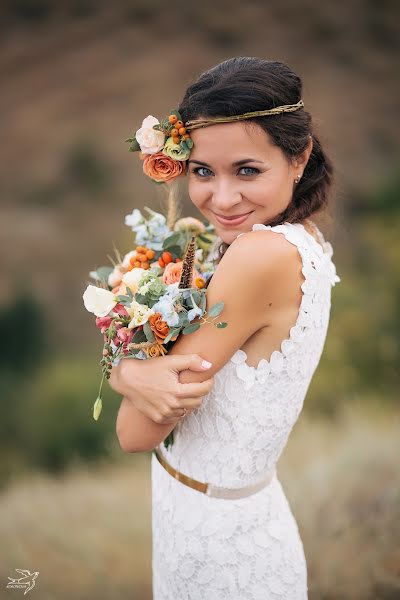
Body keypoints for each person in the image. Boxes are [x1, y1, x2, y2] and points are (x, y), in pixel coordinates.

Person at [110, 56, 341, 599]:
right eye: (203, 172)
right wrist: (129, 372)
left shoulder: (259, 256)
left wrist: (123, 369)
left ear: (299, 157)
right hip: (210, 514)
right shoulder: (294, 236)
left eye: (247, 170)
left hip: (223, 551)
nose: (222, 199)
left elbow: (133, 433)